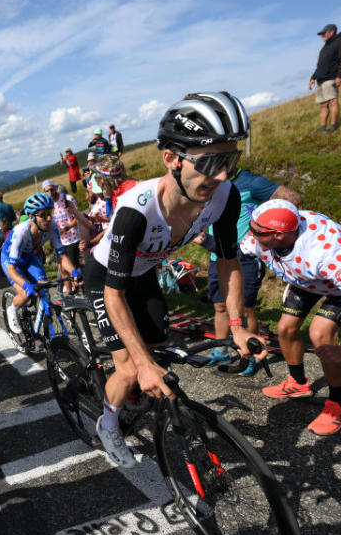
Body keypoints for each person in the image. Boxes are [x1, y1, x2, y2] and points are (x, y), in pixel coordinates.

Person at [83, 92, 266, 468]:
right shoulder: (136, 209)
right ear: (171, 159)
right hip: (107, 279)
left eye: (229, 161)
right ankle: (109, 424)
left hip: (144, 272)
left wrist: (235, 325)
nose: (220, 175)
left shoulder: (224, 195)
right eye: (210, 162)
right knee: (133, 366)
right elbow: (115, 294)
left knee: (160, 345)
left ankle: (133, 391)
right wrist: (141, 362)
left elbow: (229, 262)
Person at [243, 199, 341, 435]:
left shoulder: (329, 253)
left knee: (319, 332)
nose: (251, 235)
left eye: (256, 232)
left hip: (340, 283)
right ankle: (298, 383)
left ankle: (338, 406)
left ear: (279, 235)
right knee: (285, 328)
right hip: (307, 277)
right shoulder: (269, 231)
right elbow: (236, 255)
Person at [199, 169, 303, 374]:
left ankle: (252, 353)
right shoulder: (208, 183)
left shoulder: (248, 180)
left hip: (245, 257)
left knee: (247, 309)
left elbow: (294, 199)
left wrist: (266, 227)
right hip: (216, 255)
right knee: (220, 306)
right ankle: (221, 349)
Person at [3, 192, 81, 335]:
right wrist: (26, 285)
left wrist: (74, 272)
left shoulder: (52, 227)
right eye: (44, 215)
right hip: (9, 259)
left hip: (28, 255)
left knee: (44, 287)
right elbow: (11, 270)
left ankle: (43, 322)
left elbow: (62, 256)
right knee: (26, 293)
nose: (49, 218)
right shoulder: (21, 232)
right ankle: (12, 309)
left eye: (50, 213)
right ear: (32, 216)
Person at [309, 23, 341, 133]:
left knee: (333, 102)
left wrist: (339, 76)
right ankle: (322, 129)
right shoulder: (325, 47)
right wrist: (313, 78)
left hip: (331, 77)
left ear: (332, 32)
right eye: (321, 34)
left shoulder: (340, 41)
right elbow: (320, 65)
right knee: (323, 105)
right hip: (320, 80)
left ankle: (334, 127)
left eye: (324, 33)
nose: (322, 36)